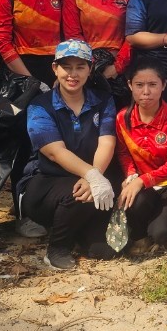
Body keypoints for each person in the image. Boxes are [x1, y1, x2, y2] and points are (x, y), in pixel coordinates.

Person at [18, 40, 119, 270]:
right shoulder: (40, 106)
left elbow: (106, 143)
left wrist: (94, 176)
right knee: (77, 194)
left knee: (99, 250)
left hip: (90, 177)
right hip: (46, 183)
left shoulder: (103, 101)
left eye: (80, 67)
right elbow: (54, 152)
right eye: (66, 67)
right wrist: (92, 175)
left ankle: (83, 235)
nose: (73, 74)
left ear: (90, 69)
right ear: (55, 69)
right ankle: (57, 248)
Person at [115, 56, 167, 255]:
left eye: (152, 84)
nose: (146, 92)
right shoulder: (123, 118)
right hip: (141, 183)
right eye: (139, 85)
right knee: (132, 199)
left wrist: (142, 180)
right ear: (130, 85)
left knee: (163, 235)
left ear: (163, 85)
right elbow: (123, 152)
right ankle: (139, 236)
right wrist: (131, 175)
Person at [63, 0, 137, 100]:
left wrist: (117, 67)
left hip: (123, 71)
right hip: (85, 69)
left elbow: (134, 35)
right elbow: (73, 34)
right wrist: (90, 68)